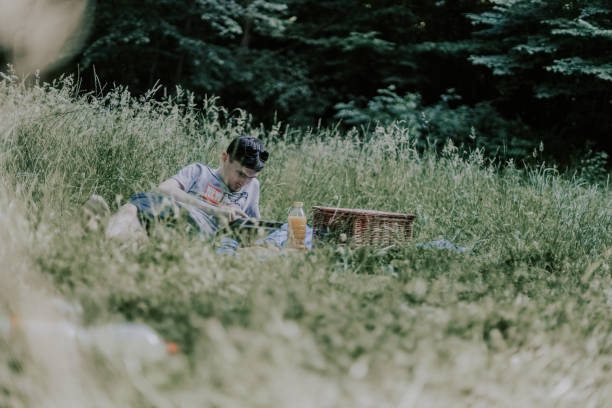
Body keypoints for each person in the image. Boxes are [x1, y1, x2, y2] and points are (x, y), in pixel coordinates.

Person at [87, 136, 269, 242]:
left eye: (250, 177)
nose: (244, 182)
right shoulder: (199, 171)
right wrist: (215, 210)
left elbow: (256, 226)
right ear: (224, 158)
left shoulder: (253, 186)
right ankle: (104, 234)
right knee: (136, 207)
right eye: (240, 174)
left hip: (199, 234)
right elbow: (164, 189)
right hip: (174, 215)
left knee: (141, 234)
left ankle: (97, 231)